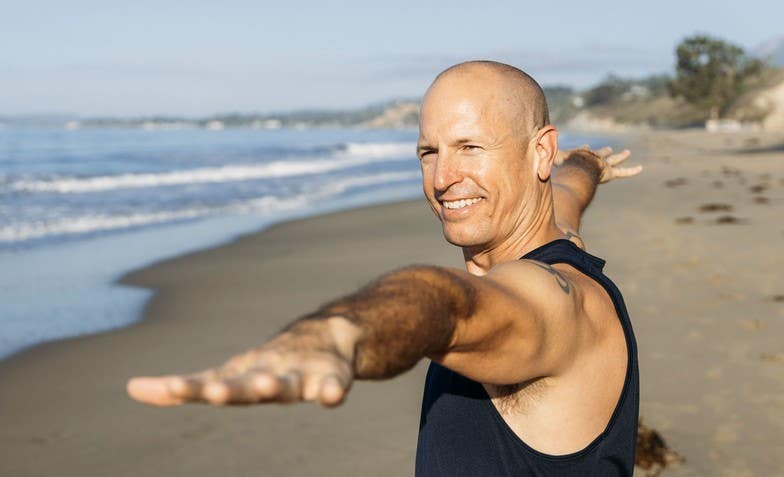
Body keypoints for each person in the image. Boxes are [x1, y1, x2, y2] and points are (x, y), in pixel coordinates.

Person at [127, 61, 643, 476]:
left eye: (470, 147)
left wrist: (338, 332)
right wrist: (586, 166)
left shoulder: (556, 303)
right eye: (428, 152)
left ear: (540, 151)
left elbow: (445, 305)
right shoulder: (559, 232)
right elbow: (567, 193)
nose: (442, 177)